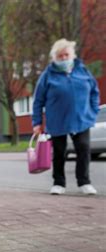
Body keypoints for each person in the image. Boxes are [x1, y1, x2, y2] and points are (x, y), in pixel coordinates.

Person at [32, 39, 100, 195]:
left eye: (66, 54)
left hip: (81, 119)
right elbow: (38, 100)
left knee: (83, 149)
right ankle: (58, 183)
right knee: (59, 152)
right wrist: (36, 122)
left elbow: (94, 91)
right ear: (54, 57)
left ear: (72, 55)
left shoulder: (82, 70)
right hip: (57, 120)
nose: (63, 58)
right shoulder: (47, 75)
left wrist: (93, 111)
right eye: (60, 55)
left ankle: (84, 182)